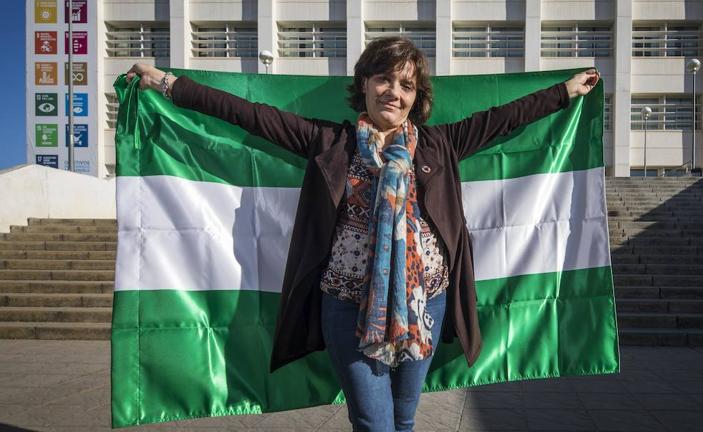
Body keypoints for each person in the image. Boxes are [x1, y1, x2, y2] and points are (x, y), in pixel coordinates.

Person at [126, 37, 599, 432]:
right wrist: (168, 84)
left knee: (404, 420)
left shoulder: (440, 144)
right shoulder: (330, 142)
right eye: (384, 79)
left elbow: (507, 118)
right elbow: (246, 114)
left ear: (417, 97)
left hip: (425, 303)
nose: (394, 92)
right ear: (365, 85)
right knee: (374, 424)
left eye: (406, 85)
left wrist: (566, 91)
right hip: (346, 306)